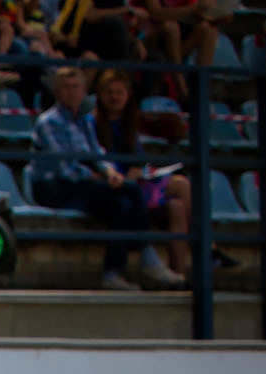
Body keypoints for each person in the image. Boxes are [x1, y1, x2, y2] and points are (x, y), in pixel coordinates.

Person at [33, 60, 180, 289]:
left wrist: (110, 172)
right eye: (66, 86)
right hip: (53, 186)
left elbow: (97, 153)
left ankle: (112, 274)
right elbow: (63, 164)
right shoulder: (48, 121)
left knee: (122, 204)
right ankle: (148, 257)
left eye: (76, 86)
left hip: (79, 183)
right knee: (130, 189)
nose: (71, 91)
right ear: (56, 91)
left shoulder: (83, 120)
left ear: (84, 91)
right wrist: (96, 178)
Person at [91, 67, 199, 280]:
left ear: (127, 95)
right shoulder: (91, 123)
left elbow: (140, 161)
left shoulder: (130, 123)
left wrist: (140, 170)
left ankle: (178, 278)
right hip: (114, 184)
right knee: (182, 186)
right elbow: (96, 160)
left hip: (137, 182)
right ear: (100, 95)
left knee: (177, 207)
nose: (114, 97)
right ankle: (207, 246)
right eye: (109, 92)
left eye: (119, 92)